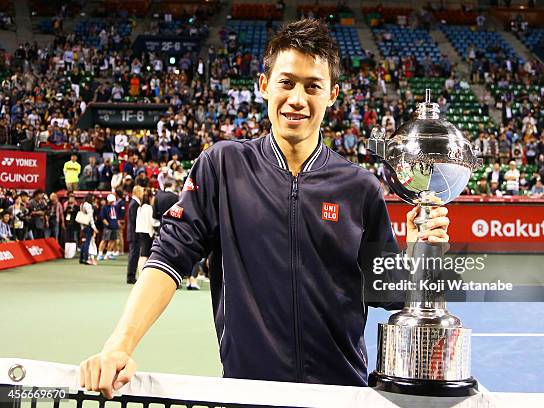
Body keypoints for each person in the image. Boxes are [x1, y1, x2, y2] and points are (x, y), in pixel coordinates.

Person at [80, 19, 450, 397]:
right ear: (264, 85)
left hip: (342, 398)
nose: (297, 99)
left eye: (313, 86)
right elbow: (168, 259)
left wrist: (421, 253)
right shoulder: (222, 166)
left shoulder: (360, 188)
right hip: (248, 396)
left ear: (333, 94)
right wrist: (119, 345)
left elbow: (390, 292)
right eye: (286, 82)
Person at [126, 186, 144, 284]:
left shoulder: (135, 203)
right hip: (134, 234)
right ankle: (131, 276)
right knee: (133, 256)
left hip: (134, 234)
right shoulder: (134, 204)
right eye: (141, 192)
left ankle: (132, 275)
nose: (143, 193)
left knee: (134, 255)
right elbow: (135, 220)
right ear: (137, 192)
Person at [135, 190, 155, 277]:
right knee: (145, 255)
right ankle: (142, 274)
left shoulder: (140, 207)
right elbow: (152, 222)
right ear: (150, 197)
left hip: (140, 231)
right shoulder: (149, 208)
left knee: (143, 254)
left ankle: (141, 273)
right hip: (147, 232)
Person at [98, 194, 119, 261]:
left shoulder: (115, 207)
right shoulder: (105, 208)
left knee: (112, 240)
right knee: (104, 240)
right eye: (112, 201)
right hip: (108, 228)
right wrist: (108, 224)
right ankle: (100, 254)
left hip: (114, 227)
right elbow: (102, 218)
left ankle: (108, 254)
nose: (113, 202)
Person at [79, 193, 98, 265]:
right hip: (88, 226)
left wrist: (82, 227)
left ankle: (81, 258)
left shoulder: (82, 205)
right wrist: (94, 227)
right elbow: (91, 218)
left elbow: (81, 216)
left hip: (83, 225)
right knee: (87, 242)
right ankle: (86, 258)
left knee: (84, 242)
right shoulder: (89, 205)